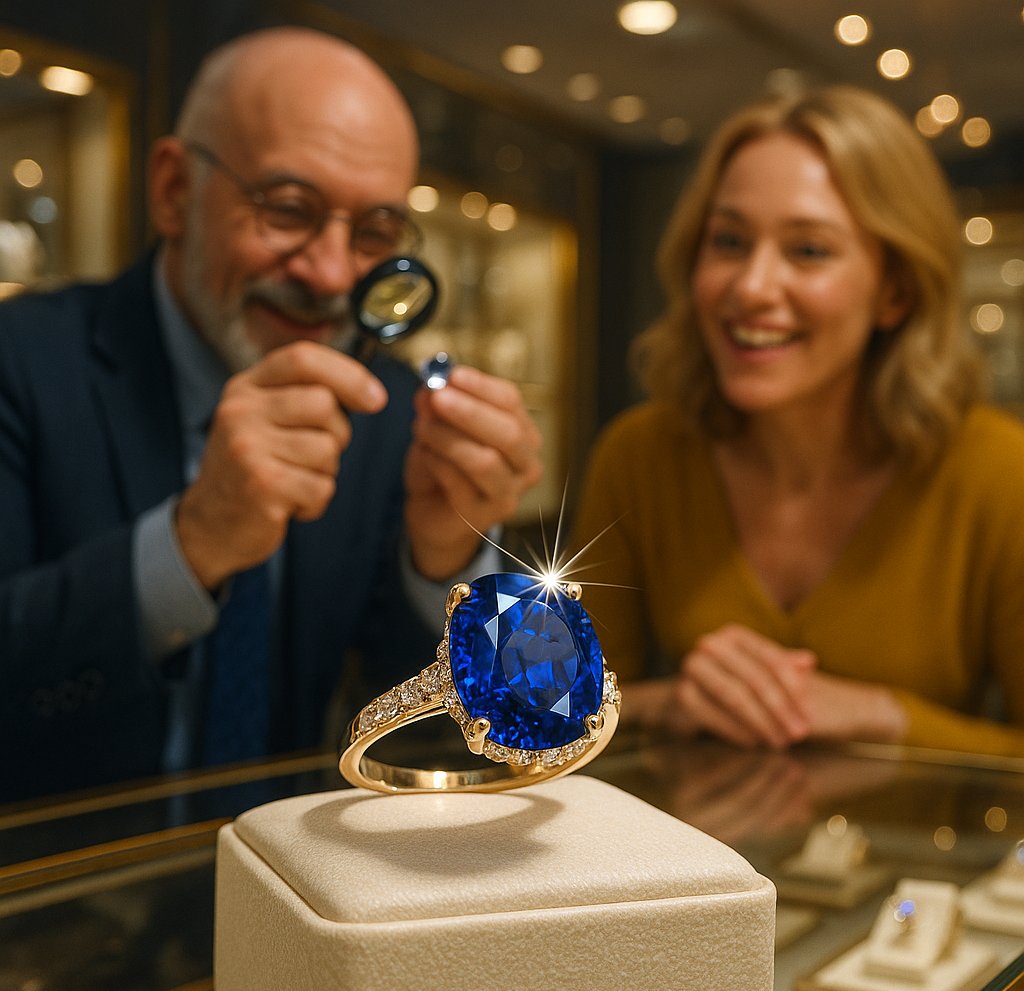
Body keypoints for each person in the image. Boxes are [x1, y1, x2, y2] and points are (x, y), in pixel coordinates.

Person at [0, 27, 542, 800]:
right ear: (174, 190)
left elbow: (446, 736)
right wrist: (192, 544)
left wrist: (447, 562)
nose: (328, 276)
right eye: (288, 210)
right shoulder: (21, 361)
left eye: (375, 233)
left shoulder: (383, 412)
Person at [572, 84, 1024, 757]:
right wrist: (674, 702)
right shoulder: (639, 455)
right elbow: (550, 722)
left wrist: (884, 717)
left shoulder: (1000, 474)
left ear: (895, 290)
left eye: (808, 251)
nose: (751, 287)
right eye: (728, 240)